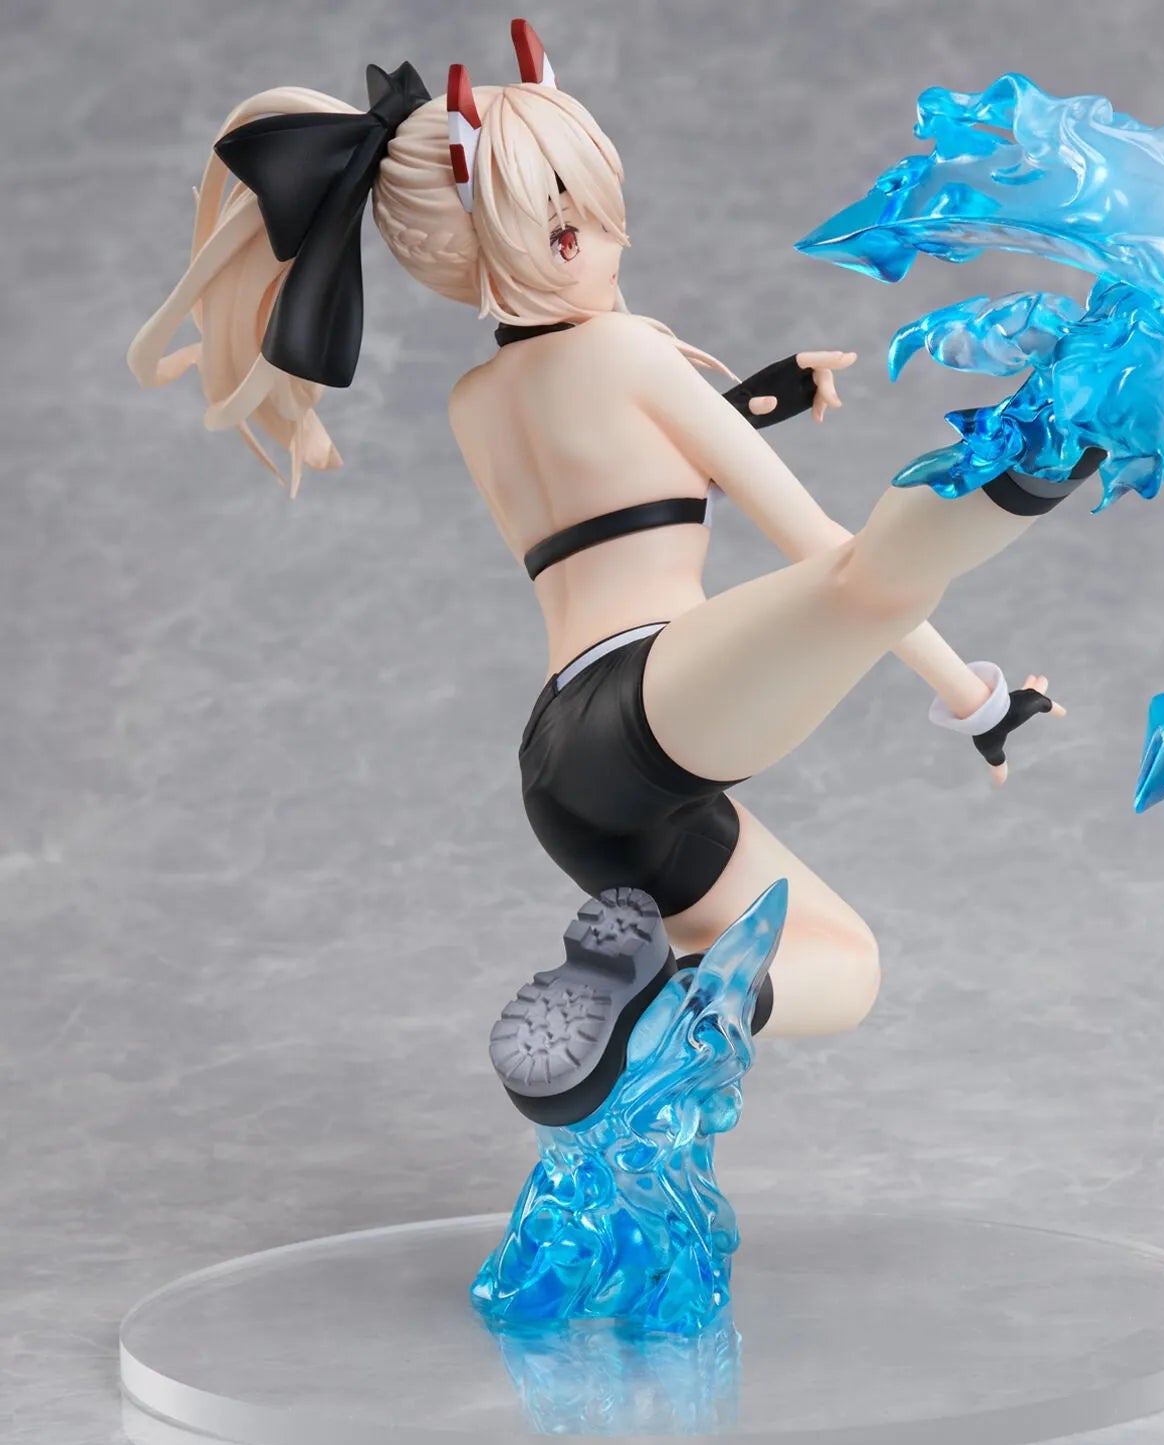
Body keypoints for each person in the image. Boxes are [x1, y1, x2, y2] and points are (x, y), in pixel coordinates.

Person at [128, 24, 1093, 1127]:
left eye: (600, 213)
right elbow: (819, 542)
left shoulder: (476, 404)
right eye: (569, 230)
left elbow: (611, 490)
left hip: (573, 777)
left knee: (842, 962)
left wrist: (744, 405)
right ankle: (1073, 428)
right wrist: (976, 701)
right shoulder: (629, 352)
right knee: (869, 584)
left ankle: (654, 1012)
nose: (608, 246)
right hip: (648, 705)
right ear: (491, 245)